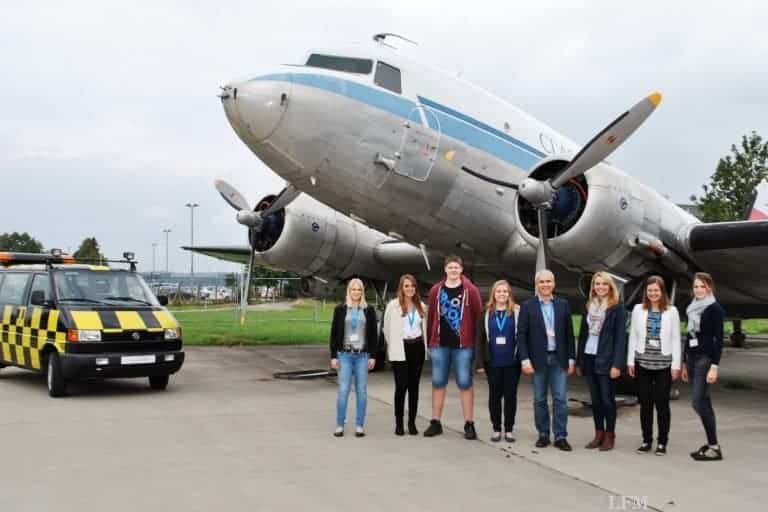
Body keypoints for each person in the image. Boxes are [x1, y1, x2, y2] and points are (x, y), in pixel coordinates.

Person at [424, 255, 483, 440]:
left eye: (456, 267)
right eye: (450, 267)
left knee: (465, 383)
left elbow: (478, 317)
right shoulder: (436, 290)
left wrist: (475, 346)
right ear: (445, 270)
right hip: (440, 345)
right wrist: (430, 342)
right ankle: (435, 422)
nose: (453, 270)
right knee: (438, 382)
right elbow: (432, 317)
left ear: (461, 269)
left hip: (463, 346)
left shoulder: (471, 290)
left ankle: (469, 423)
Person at [518, 269, 576, 451]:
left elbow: (569, 333)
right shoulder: (528, 306)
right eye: (541, 282)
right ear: (537, 284)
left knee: (560, 399)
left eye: (548, 281)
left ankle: (560, 436)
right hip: (537, 360)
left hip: (559, 359)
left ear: (554, 284)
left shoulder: (563, 304)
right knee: (539, 399)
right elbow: (522, 335)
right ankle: (543, 434)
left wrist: (571, 358)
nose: (545, 285)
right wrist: (524, 359)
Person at [627, 276, 681, 456]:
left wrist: (676, 365)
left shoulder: (672, 311)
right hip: (642, 363)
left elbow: (675, 339)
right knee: (645, 404)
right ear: (646, 292)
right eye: (650, 290)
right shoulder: (638, 309)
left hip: (664, 365)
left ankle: (662, 442)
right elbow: (633, 336)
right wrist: (630, 361)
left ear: (662, 291)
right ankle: (646, 440)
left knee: (662, 404)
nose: (653, 293)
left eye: (656, 290)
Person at [576, 272, 627, 451]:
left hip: (606, 359)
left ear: (610, 287)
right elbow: (583, 335)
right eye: (597, 284)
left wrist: (617, 364)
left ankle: (610, 435)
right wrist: (579, 361)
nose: (600, 287)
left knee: (607, 400)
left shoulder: (617, 308)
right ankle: (598, 433)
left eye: (604, 284)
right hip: (590, 357)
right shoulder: (589, 306)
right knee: (596, 400)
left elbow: (621, 338)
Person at [683, 272, 725, 461]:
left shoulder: (714, 309)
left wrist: (714, 366)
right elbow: (689, 336)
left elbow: (718, 340)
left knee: (698, 402)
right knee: (704, 401)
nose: (698, 290)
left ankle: (714, 447)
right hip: (692, 358)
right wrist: (684, 362)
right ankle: (712, 444)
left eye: (702, 286)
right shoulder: (692, 308)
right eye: (696, 286)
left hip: (705, 359)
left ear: (709, 288)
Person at [329, 278, 378, 437]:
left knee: (361, 391)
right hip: (344, 355)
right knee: (343, 390)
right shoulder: (340, 309)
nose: (356, 292)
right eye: (353, 289)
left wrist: (373, 356)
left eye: (359, 290)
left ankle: (359, 425)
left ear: (362, 292)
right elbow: (334, 333)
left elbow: (373, 335)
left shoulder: (369, 310)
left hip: (362, 356)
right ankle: (339, 424)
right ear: (349, 291)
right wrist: (333, 356)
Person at [381, 274, 428, 436]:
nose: (410, 289)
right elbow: (386, 329)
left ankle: (412, 423)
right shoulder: (392, 306)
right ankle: (399, 423)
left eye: (412, 286)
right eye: (406, 286)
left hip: (417, 348)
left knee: (414, 388)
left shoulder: (421, 306)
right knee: (401, 387)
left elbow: (425, 330)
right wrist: (393, 345)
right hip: (400, 348)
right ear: (401, 288)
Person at [476, 280, 521, 443]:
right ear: (493, 294)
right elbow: (479, 339)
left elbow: (522, 336)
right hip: (492, 363)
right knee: (494, 397)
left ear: (509, 294)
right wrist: (479, 363)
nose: (502, 294)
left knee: (510, 396)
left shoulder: (517, 312)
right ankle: (496, 428)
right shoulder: (486, 312)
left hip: (512, 363)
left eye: (505, 291)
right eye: (499, 291)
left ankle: (509, 429)